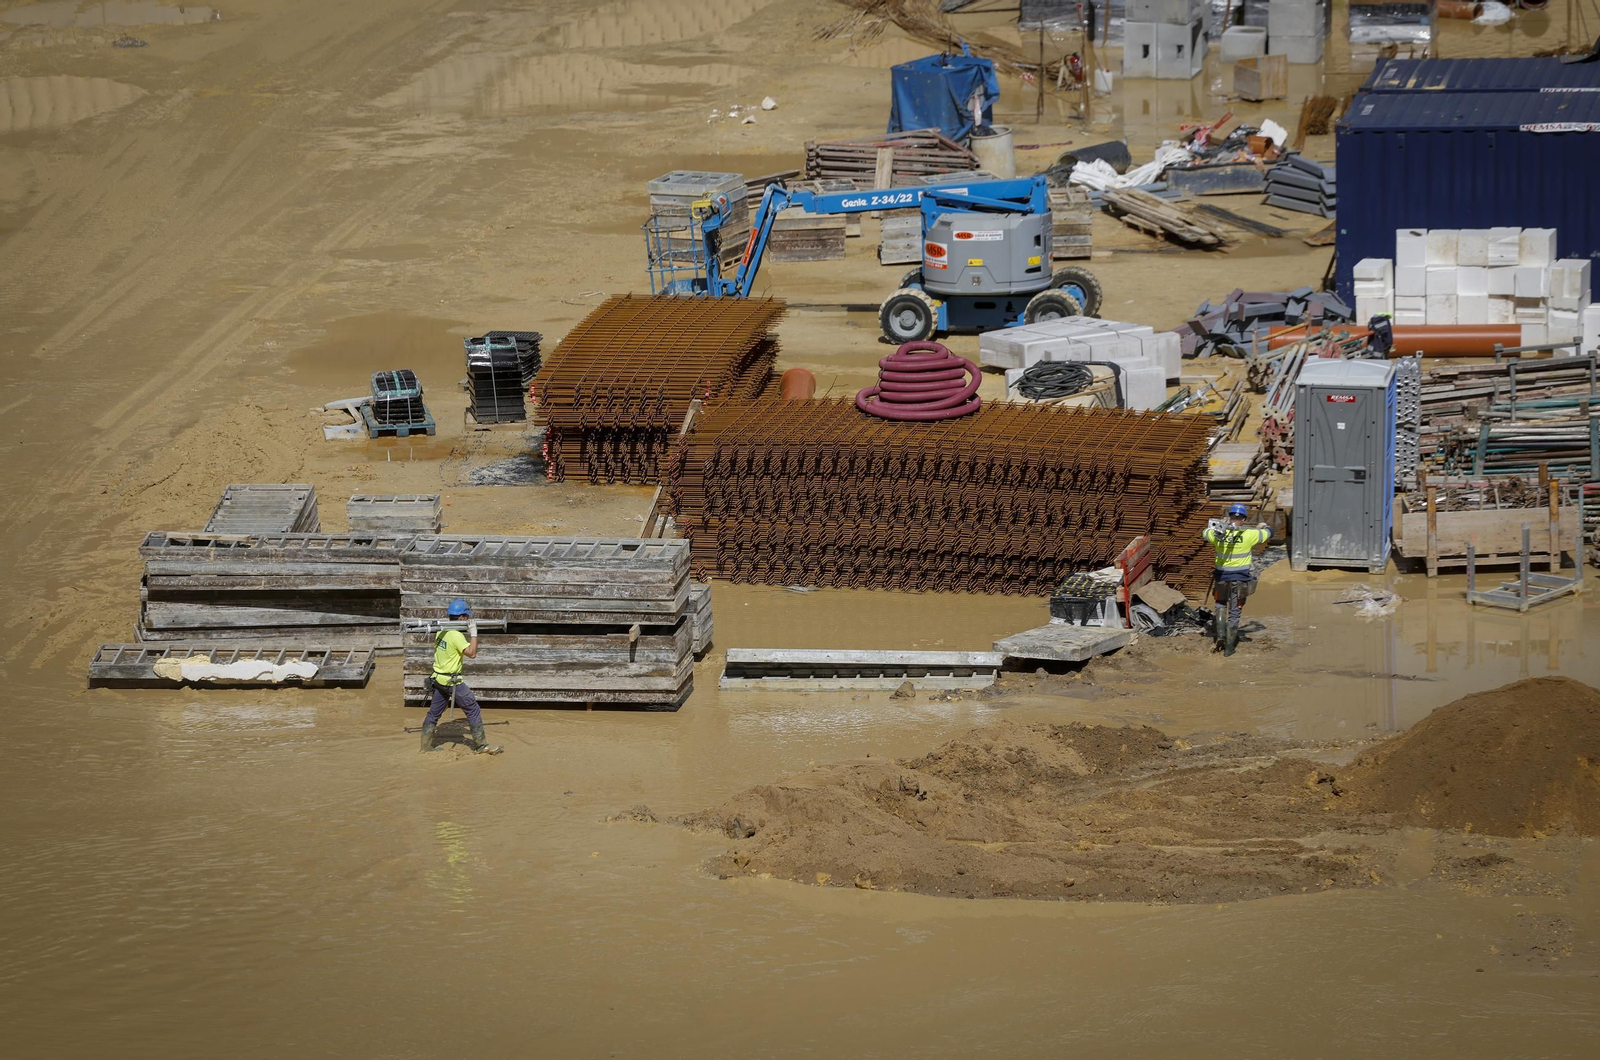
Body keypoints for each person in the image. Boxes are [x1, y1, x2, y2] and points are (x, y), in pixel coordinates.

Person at [420, 598, 501, 754]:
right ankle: (481, 746)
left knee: (433, 714)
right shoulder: (456, 635)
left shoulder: (441, 631)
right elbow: (472, 653)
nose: (468, 619)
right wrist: (474, 634)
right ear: (462, 617)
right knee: (473, 709)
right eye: (467, 617)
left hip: (438, 679)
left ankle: (425, 747)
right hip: (452, 681)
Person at [1202, 503, 1270, 657]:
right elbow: (1269, 533)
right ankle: (1229, 648)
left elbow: (1205, 533)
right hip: (1239, 580)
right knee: (1235, 611)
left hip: (1221, 578)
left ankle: (1220, 637)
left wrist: (1219, 525)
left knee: (1220, 605)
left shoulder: (1217, 534)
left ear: (1229, 516)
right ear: (1244, 519)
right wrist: (1263, 526)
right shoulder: (1249, 535)